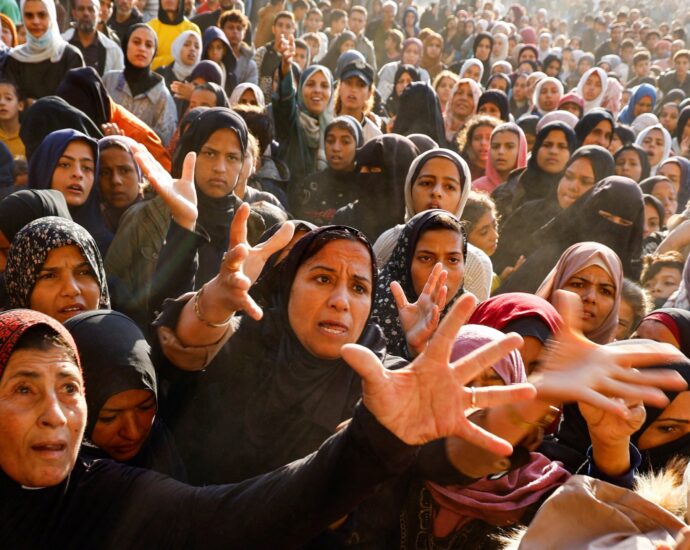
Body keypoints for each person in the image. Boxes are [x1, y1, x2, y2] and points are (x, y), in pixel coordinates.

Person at [0, 305, 543, 547]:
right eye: (24, 389)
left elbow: (243, 516)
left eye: (70, 389)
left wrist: (376, 440)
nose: (56, 413)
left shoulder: (106, 495)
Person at [65, 309, 187, 479]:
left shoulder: (160, 442)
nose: (132, 432)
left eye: (145, 407)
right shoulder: (57, 472)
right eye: (109, 417)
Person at [493, 145, 616, 277]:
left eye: (585, 181)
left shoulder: (603, 233)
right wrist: (506, 276)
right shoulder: (529, 213)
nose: (573, 186)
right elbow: (495, 260)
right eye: (568, 176)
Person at [372, 210, 466, 359]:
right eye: (426, 258)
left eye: (453, 260)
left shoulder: (473, 316)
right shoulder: (372, 311)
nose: (440, 271)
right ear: (406, 262)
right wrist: (413, 349)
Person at [4, 216, 110, 320]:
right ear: (22, 288)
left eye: (84, 272)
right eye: (49, 276)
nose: (72, 290)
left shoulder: (121, 335)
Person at [26, 129, 112, 254]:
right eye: (65, 164)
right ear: (43, 169)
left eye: (87, 168)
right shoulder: (13, 229)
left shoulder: (106, 246)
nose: (78, 174)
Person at [102, 24, 178, 146]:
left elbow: (163, 144)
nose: (142, 48)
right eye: (136, 42)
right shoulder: (109, 81)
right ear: (125, 45)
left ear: (154, 52)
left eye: (148, 45)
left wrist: (127, 139)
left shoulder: (162, 96)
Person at [492, 121, 577, 221]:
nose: (553, 151)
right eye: (547, 144)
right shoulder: (505, 191)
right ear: (536, 149)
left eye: (562, 146)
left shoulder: (576, 193)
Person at [2, 0, 84, 101]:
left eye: (42, 15)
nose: (36, 21)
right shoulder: (14, 59)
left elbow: (76, 104)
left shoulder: (70, 56)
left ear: (52, 16)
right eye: (29, 15)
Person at [291, 115, 362, 224]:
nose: (336, 148)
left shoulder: (364, 187)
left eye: (345, 142)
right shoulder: (310, 184)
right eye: (330, 140)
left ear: (358, 146)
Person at [62, 0, 124, 76]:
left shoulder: (113, 50)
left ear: (99, 14)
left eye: (91, 9)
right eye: (81, 9)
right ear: (74, 13)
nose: (86, 13)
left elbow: (117, 83)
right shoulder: (60, 44)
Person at [472, 123, 528, 195]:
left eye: (509, 146)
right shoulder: (476, 189)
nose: (501, 152)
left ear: (521, 150)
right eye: (495, 146)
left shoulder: (531, 187)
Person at [146, 0, 200, 70]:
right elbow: (147, 61)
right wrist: (177, 58)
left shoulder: (191, 29)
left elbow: (192, 63)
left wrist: (160, 60)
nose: (169, 0)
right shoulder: (150, 28)